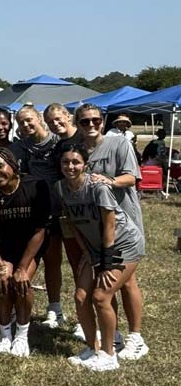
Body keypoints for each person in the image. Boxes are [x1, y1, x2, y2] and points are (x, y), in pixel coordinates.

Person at [55, 144, 145, 371]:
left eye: (76, 162)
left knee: (101, 296)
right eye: (66, 162)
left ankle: (108, 355)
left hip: (123, 244)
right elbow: (72, 223)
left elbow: (110, 225)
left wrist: (105, 263)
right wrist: (86, 252)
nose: (70, 166)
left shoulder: (98, 187)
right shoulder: (60, 188)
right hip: (94, 249)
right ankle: (91, 348)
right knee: (80, 297)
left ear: (85, 164)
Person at [73, 103, 148, 360]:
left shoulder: (118, 144)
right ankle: (113, 334)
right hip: (98, 229)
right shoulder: (79, 150)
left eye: (95, 120)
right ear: (78, 124)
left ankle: (136, 337)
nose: (91, 124)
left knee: (127, 282)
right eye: (85, 121)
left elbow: (132, 177)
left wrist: (110, 181)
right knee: (107, 282)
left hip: (125, 223)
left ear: (102, 122)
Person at [0, 147, 50, 357]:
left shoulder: (35, 186)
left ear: (13, 165)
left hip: (28, 248)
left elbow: (39, 231)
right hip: (1, 248)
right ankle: (4, 335)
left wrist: (22, 267)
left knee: (21, 283)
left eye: (0, 166)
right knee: (2, 283)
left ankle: (21, 335)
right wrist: (1, 265)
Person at [15, 105, 66, 329]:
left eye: (29, 120)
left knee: (54, 260)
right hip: (35, 211)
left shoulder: (57, 143)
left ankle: (55, 308)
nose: (26, 125)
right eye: (21, 122)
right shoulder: (22, 146)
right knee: (31, 259)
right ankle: (19, 307)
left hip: (60, 209)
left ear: (39, 119)